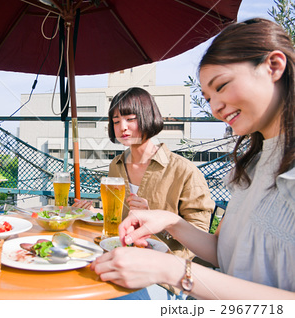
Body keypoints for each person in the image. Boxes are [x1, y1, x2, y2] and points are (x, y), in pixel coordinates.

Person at [90, 18, 295, 299]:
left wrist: (171, 268)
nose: (215, 108)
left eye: (221, 86)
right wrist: (169, 220)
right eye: (207, 98)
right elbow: (224, 254)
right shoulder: (253, 165)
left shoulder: (184, 169)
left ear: (274, 66)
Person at [77, 87, 214, 262]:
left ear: (147, 117)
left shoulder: (184, 170)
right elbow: (121, 218)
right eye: (116, 121)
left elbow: (200, 236)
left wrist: (155, 219)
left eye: (130, 119)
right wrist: (93, 212)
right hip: (121, 256)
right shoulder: (116, 165)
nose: (122, 127)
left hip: (165, 269)